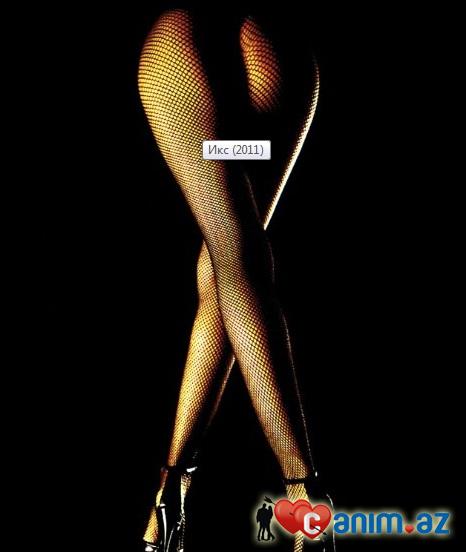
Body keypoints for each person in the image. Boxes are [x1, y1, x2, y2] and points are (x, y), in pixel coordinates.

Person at [138, 7, 335, 552]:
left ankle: (305, 495)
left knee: (232, 258)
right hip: (276, 44)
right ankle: (171, 495)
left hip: (186, 41)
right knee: (230, 262)